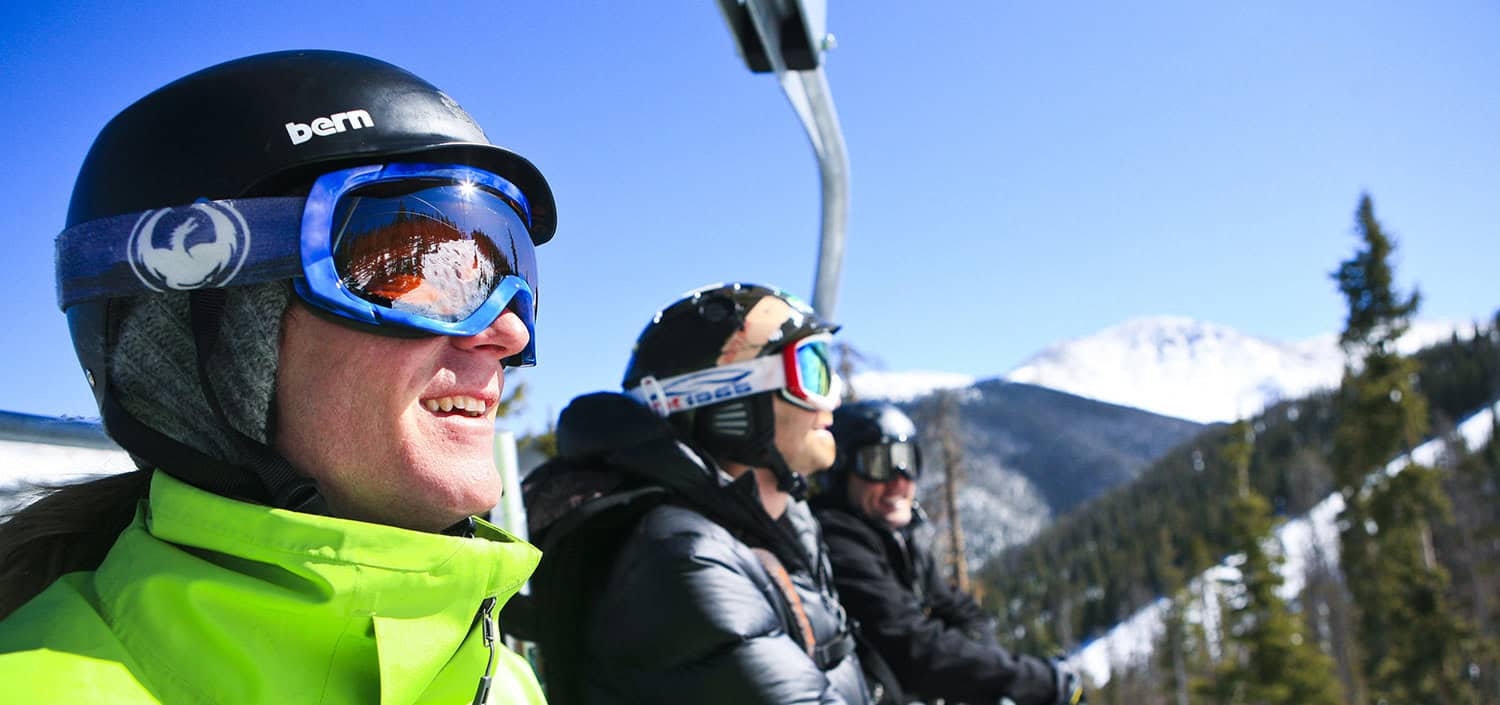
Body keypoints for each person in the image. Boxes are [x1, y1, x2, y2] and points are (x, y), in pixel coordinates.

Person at [0, 50, 558, 705]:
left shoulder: (504, 682)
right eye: (416, 272)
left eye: (506, 278)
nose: (508, 332)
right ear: (204, 334)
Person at [519, 282, 872, 705]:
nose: (829, 401)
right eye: (811, 372)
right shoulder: (682, 555)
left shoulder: (775, 528)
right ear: (731, 398)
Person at [811, 401, 1086, 705]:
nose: (899, 480)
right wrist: (1035, 681)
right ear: (841, 470)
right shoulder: (837, 543)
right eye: (879, 463)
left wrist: (981, 674)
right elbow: (912, 645)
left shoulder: (896, 541)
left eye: (907, 461)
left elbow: (964, 612)